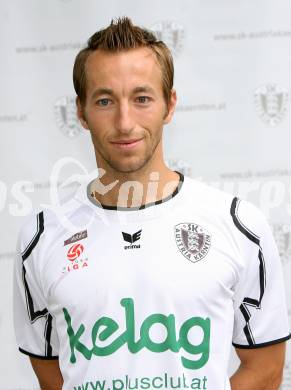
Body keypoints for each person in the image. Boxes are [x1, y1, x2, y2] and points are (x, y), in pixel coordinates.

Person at [13, 17, 290, 390]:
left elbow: (266, 368)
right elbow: (51, 375)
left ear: (169, 105)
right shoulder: (42, 237)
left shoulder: (238, 225)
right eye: (105, 100)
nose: (125, 122)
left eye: (142, 98)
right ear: (81, 112)